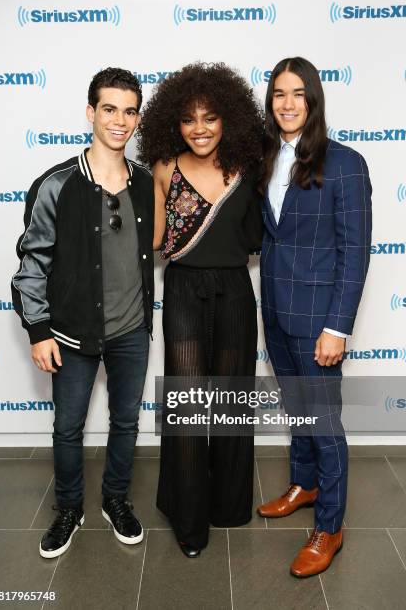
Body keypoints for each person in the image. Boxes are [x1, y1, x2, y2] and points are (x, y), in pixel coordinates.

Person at [11, 67, 154, 558]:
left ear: (137, 118)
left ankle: (116, 499)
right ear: (91, 113)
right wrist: (38, 330)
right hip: (70, 331)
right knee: (68, 426)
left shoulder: (146, 183)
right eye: (109, 108)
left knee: (126, 422)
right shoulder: (55, 184)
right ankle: (69, 509)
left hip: (132, 330)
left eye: (129, 110)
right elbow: (31, 266)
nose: (120, 120)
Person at [137, 62, 264, 557]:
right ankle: (189, 518)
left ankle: (229, 507)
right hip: (185, 290)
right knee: (188, 404)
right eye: (189, 120)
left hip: (235, 290)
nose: (200, 129)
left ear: (227, 119)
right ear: (175, 123)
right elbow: (152, 241)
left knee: (232, 404)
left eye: (210, 118)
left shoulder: (246, 168)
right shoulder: (164, 166)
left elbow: (256, 236)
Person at [257, 57, 372, 576]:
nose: (287, 103)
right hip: (276, 311)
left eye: (297, 93)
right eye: (279, 94)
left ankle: (330, 525)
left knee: (325, 424)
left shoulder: (345, 163)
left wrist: (337, 326)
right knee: (298, 412)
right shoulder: (263, 157)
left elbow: (355, 251)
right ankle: (304, 486)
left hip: (319, 317)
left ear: (314, 99)